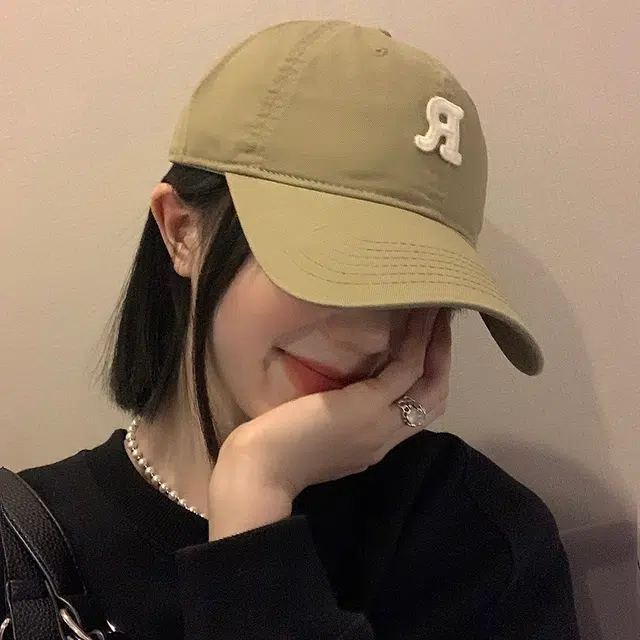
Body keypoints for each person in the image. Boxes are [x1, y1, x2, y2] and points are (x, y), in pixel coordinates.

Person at [1, 19, 581, 640]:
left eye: (416, 288)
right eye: (330, 266)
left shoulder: (478, 540)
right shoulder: (20, 559)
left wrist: (255, 495)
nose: (372, 338)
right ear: (183, 231)